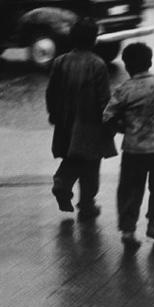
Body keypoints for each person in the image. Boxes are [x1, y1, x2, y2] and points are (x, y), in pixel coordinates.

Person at [103, 43, 154, 250]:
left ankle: (128, 230)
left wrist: (125, 128)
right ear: (150, 61)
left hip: (134, 150)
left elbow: (108, 117)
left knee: (130, 190)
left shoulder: (124, 89)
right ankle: (153, 225)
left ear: (127, 66)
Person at [46, 18, 117, 220]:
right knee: (91, 165)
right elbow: (104, 98)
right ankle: (86, 204)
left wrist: (53, 114)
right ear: (94, 40)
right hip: (90, 123)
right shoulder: (97, 64)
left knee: (71, 157)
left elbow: (51, 92)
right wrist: (110, 123)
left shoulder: (61, 62)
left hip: (65, 121)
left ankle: (62, 183)